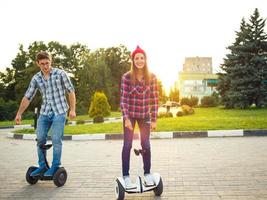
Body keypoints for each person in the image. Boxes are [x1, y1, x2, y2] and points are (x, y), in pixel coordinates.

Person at [15, 51, 76, 177]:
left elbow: (70, 91)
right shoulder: (36, 78)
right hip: (45, 112)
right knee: (40, 139)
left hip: (60, 111)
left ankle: (55, 166)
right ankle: (42, 166)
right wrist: (19, 113)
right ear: (38, 64)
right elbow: (28, 97)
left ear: (51, 61)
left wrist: (72, 109)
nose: (45, 66)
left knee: (56, 139)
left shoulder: (60, 74)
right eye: (42, 64)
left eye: (47, 63)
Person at [120, 45, 159, 189]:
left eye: (142, 58)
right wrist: (126, 118)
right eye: (137, 58)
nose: (139, 60)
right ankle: (125, 175)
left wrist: (154, 118)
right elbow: (123, 100)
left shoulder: (152, 77)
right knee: (127, 145)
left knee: (146, 144)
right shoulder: (126, 77)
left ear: (145, 60)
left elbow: (155, 99)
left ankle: (147, 173)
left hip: (144, 116)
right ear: (133, 60)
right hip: (130, 115)